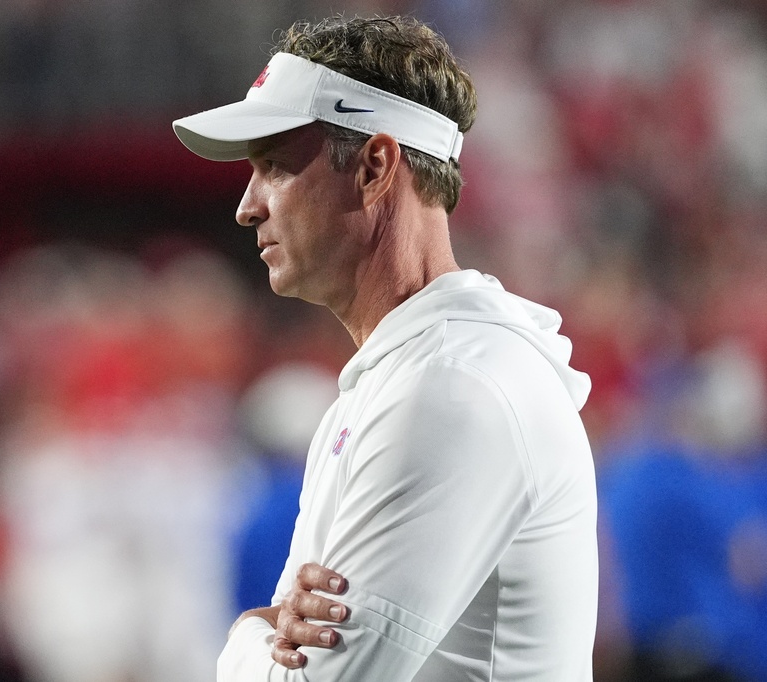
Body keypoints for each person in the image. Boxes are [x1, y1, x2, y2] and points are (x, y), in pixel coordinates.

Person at [172, 15, 598, 681]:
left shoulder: (451, 388)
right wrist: (269, 637)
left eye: (275, 167)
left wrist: (243, 637)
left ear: (374, 166)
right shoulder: (402, 378)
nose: (247, 207)